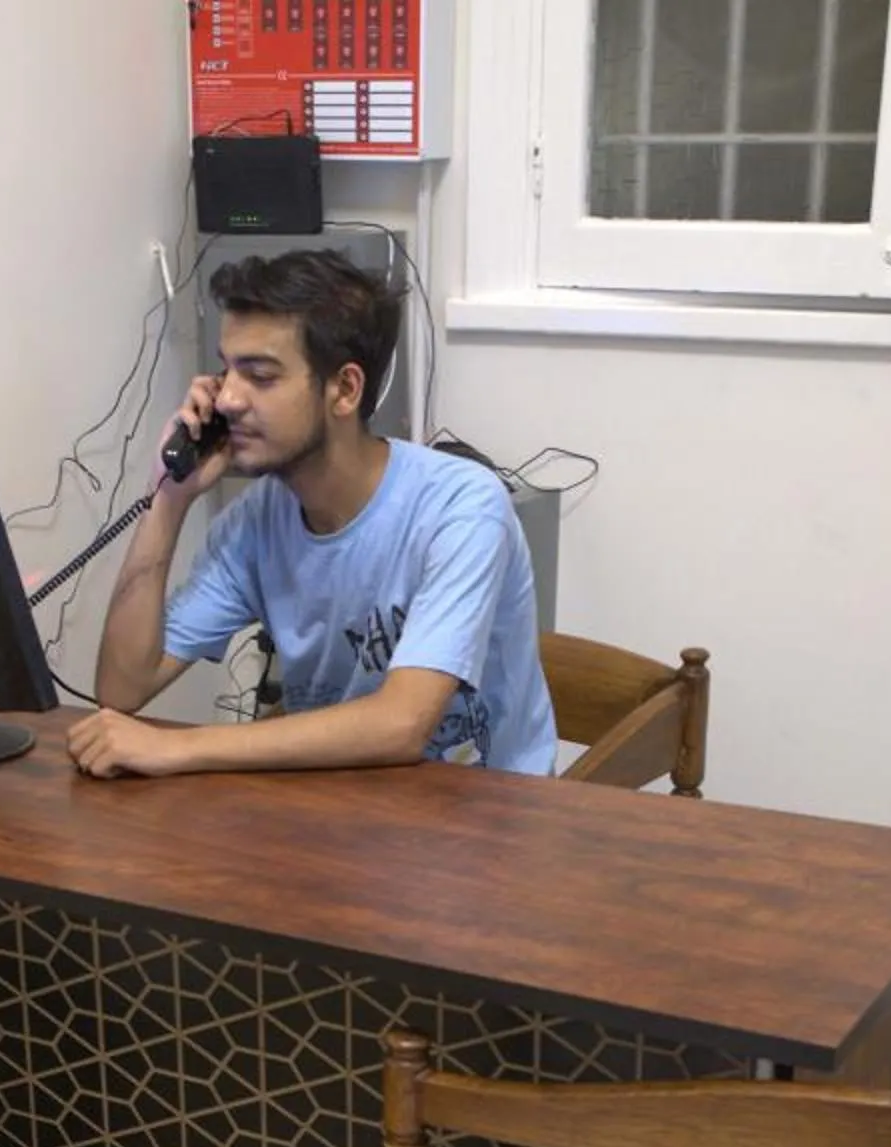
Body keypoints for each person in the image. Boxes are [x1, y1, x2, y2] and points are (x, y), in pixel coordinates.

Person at [71, 249, 557, 780]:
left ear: (344, 389)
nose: (227, 400)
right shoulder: (254, 523)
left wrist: (177, 747)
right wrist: (168, 497)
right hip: (341, 800)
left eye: (260, 376)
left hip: (488, 809)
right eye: (226, 371)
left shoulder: (461, 507)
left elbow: (402, 724)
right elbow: (123, 688)